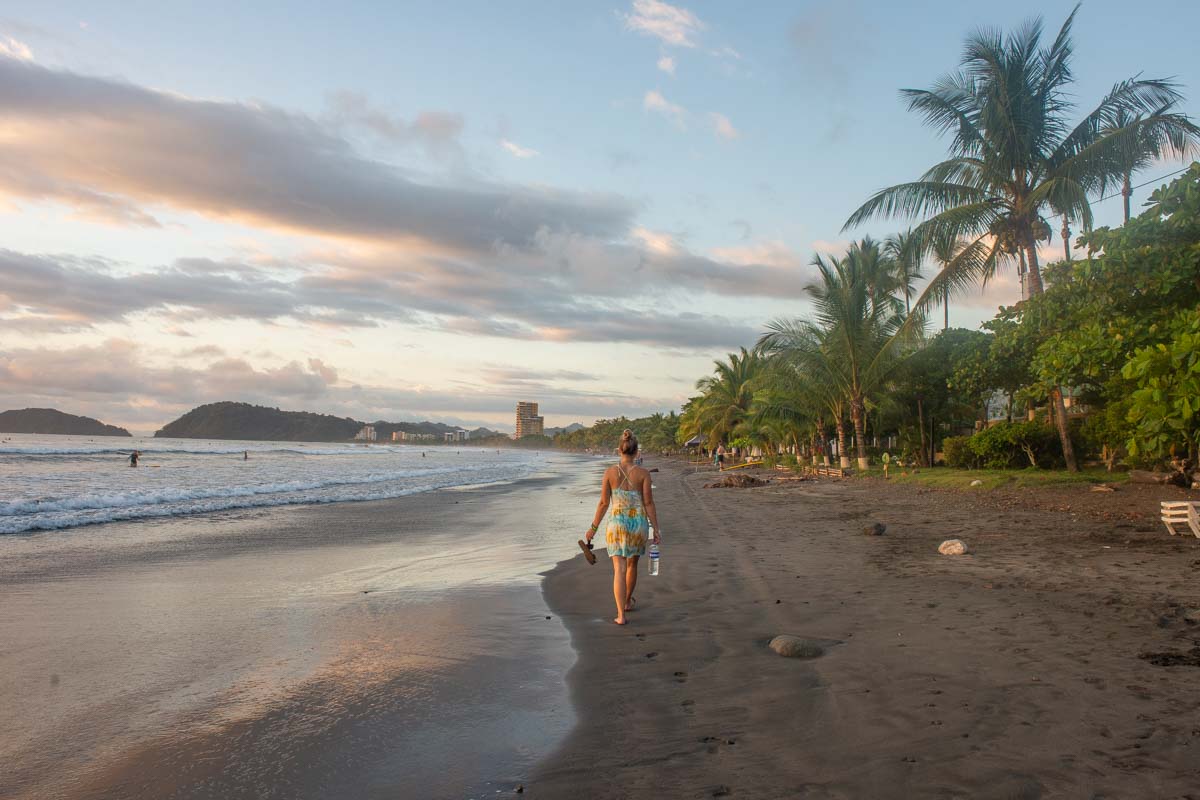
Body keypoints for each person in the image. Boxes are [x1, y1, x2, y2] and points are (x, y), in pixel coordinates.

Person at [584, 430, 661, 625]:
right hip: (637, 525)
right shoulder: (643, 474)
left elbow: (603, 503)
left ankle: (621, 615)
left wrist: (593, 527)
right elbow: (649, 503)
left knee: (619, 569)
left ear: (619, 450)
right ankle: (627, 601)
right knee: (632, 565)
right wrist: (656, 529)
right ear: (637, 452)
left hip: (616, 525)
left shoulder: (610, 473)